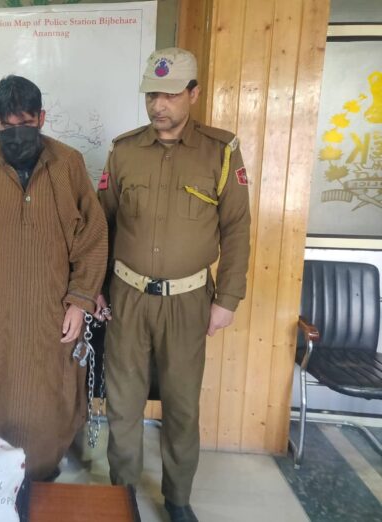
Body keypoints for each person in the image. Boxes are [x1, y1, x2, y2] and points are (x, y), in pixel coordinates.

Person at [96, 47, 251, 522]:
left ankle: (178, 499)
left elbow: (237, 229)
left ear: (193, 93)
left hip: (187, 301)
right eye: (151, 95)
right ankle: (122, 496)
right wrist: (95, 287)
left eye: (169, 95)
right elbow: (102, 225)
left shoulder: (221, 152)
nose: (158, 105)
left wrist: (227, 299)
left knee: (182, 406)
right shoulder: (123, 151)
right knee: (122, 404)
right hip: (126, 296)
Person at [0, 75, 107, 481]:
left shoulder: (68, 165)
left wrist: (80, 301)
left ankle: (43, 473)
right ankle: (0, 479)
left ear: (42, 118)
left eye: (27, 123)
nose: (17, 133)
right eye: (8, 125)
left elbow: (92, 238)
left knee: (50, 399)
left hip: (52, 314)